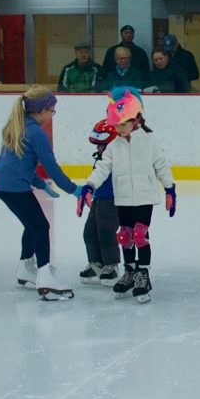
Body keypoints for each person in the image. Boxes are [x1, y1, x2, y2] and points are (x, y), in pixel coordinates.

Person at [77, 86, 176, 304]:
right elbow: (102, 167)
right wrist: (89, 186)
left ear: (136, 120)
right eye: (116, 125)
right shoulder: (114, 146)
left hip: (144, 197)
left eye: (122, 124)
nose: (119, 129)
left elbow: (161, 165)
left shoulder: (149, 141)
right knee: (125, 236)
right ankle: (130, 272)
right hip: (122, 198)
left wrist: (170, 188)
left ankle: (143, 275)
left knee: (140, 236)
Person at [0, 86, 82, 301]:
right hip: (13, 186)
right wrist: (73, 189)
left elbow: (17, 162)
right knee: (41, 226)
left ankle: (25, 268)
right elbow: (51, 166)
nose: (52, 115)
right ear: (40, 110)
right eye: (52, 110)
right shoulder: (35, 132)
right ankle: (46, 279)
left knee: (32, 224)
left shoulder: (19, 126)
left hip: (2, 183)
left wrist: (39, 183)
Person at [77, 119, 121, 287]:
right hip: (98, 200)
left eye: (102, 145)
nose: (98, 148)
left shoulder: (116, 159)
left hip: (112, 201)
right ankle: (96, 264)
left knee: (106, 232)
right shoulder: (102, 157)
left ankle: (111, 266)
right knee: (89, 232)